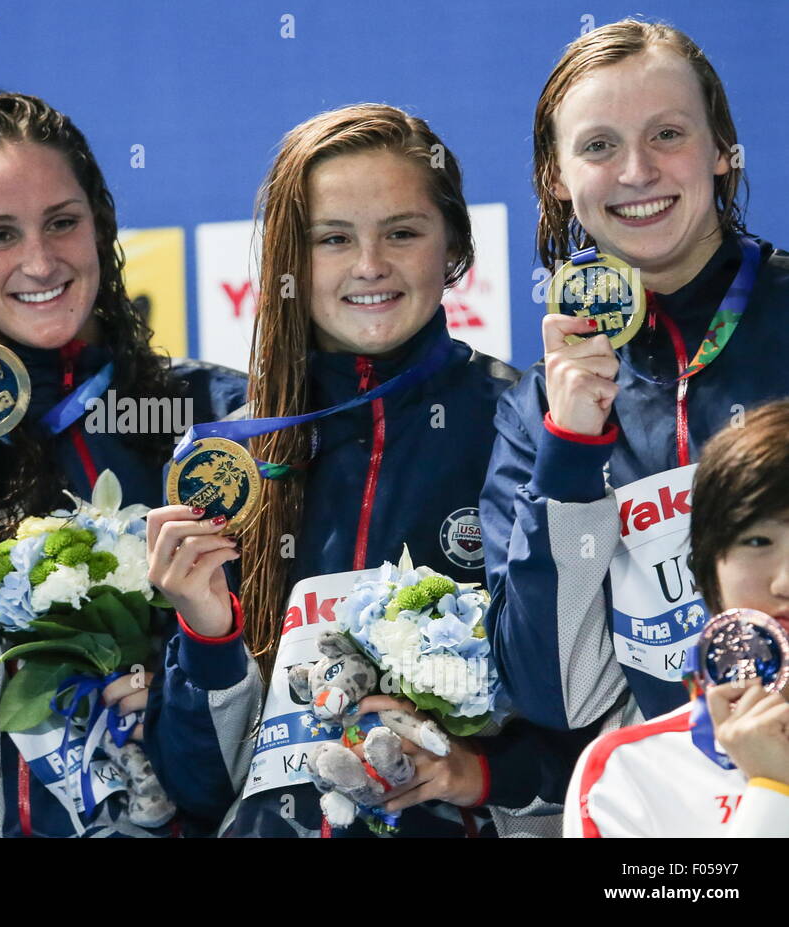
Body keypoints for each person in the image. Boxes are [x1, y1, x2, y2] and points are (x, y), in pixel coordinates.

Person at [143, 104, 587, 838]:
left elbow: (586, 702)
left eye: (402, 232)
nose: (370, 265)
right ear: (289, 260)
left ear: (453, 247)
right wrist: (207, 630)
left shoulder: (524, 425)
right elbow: (198, 784)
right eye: (333, 239)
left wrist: (480, 771)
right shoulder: (230, 460)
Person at [0, 91, 246, 837]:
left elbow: (243, 762)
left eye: (63, 221)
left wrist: (191, 671)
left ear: (102, 226)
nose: (39, 260)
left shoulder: (215, 427)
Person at [482, 19, 789, 736]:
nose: (636, 171)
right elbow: (557, 695)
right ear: (555, 179)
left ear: (720, 149)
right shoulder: (537, 412)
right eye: (598, 146)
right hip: (664, 812)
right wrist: (570, 449)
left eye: (668, 134)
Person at [567, 400, 789, 836]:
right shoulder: (627, 774)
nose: (784, 581)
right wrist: (772, 792)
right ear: (708, 573)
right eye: (758, 540)